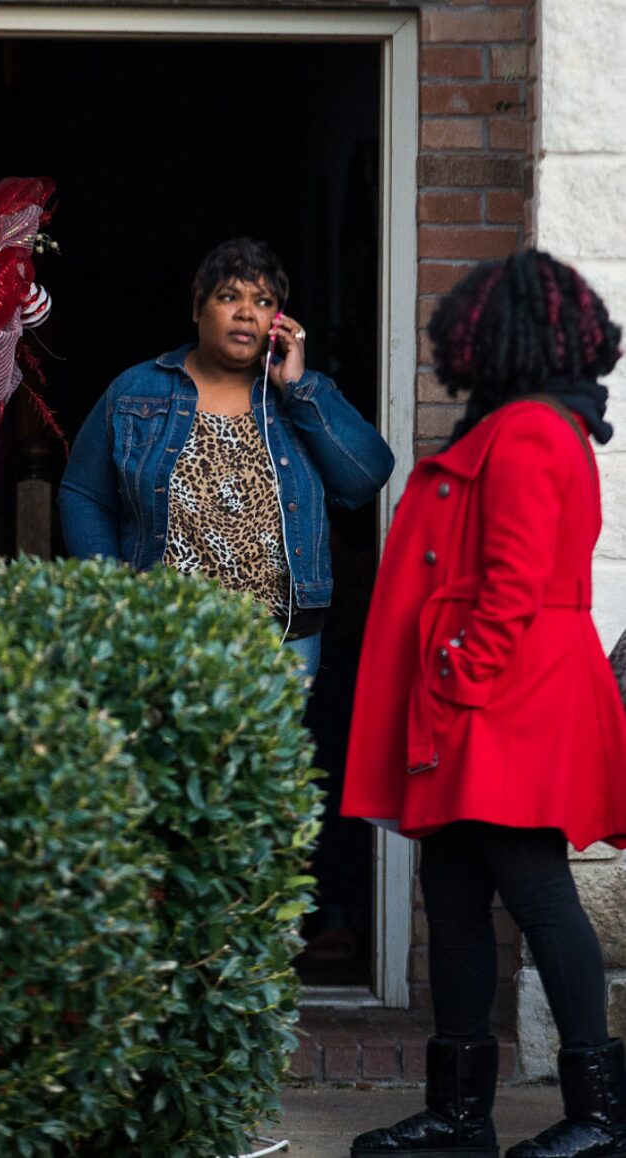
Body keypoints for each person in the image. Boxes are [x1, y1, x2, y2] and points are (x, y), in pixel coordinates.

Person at [341, 249, 626, 1158]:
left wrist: (457, 675)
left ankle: (599, 1118)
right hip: (486, 698)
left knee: (537, 892)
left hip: (505, 699)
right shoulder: (517, 427)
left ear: (497, 337)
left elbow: (514, 585)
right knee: (454, 893)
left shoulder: (534, 432)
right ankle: (461, 1119)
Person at [58, 237, 394, 679]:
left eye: (263, 301)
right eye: (229, 296)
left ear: (279, 320)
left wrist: (296, 389)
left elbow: (367, 475)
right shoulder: (138, 391)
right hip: (163, 636)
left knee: (268, 749)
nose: (245, 312)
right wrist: (113, 590)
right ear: (198, 307)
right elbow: (83, 494)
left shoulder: (302, 395)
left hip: (281, 643)